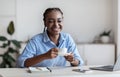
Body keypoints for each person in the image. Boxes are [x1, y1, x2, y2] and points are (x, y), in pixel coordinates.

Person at [17, 7, 84, 67]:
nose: (56, 25)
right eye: (51, 21)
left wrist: (72, 60)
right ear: (45, 23)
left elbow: (79, 62)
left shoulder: (67, 38)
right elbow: (21, 62)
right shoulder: (36, 40)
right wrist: (44, 56)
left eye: (59, 21)